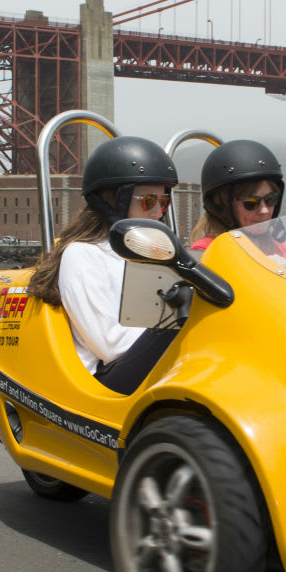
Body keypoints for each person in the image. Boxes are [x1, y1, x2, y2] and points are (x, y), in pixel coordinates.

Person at [25, 135, 180, 394]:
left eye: (164, 201)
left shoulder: (155, 255)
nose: (159, 212)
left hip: (147, 368)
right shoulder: (82, 255)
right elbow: (111, 345)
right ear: (113, 200)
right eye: (149, 201)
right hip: (103, 380)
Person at [189, 139, 286, 257]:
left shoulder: (281, 249)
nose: (264, 210)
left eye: (271, 199)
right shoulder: (206, 253)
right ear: (222, 206)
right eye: (251, 203)